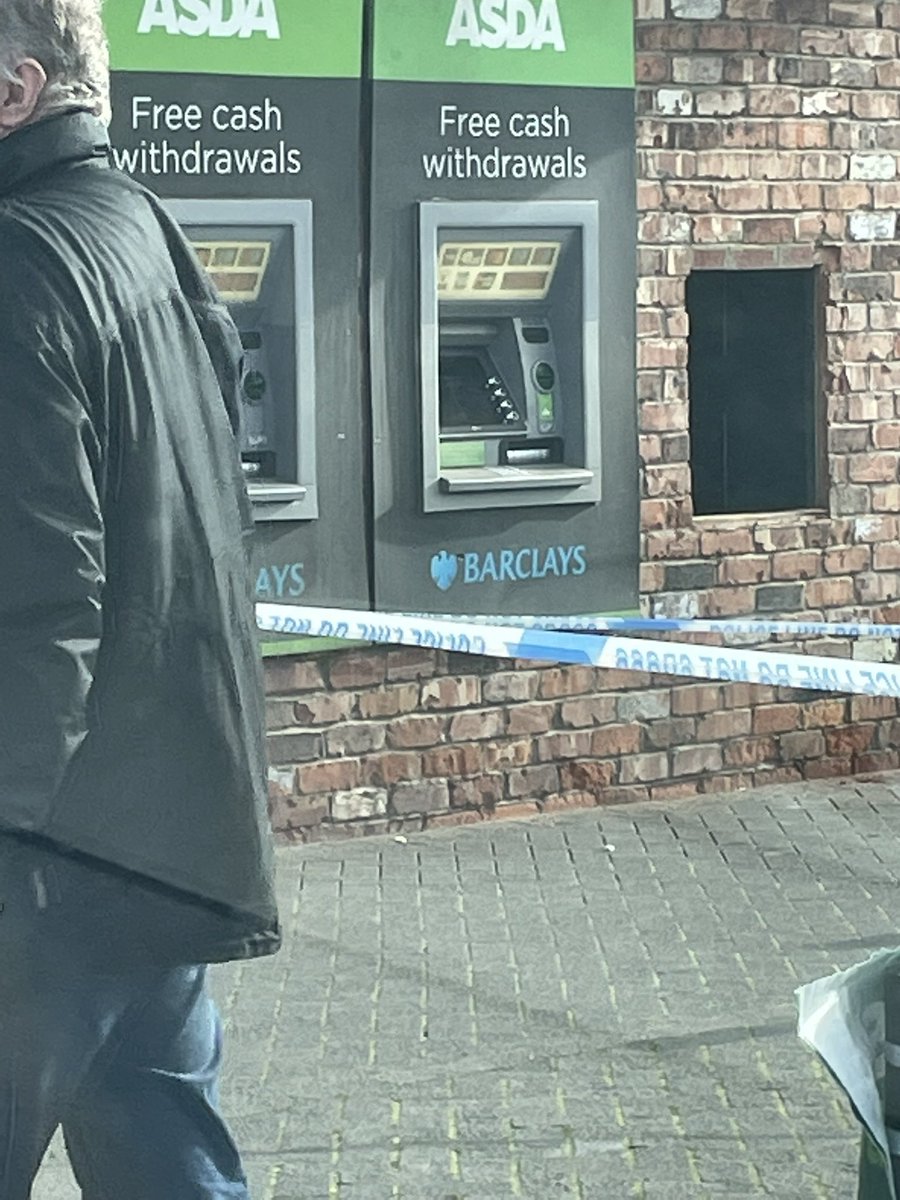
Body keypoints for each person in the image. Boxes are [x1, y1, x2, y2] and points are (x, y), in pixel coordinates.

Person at [0, 1, 281, 1196]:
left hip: (49, 862)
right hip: (163, 838)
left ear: (15, 88)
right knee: (170, 1168)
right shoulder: (145, 228)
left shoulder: (17, 258)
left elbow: (36, 594)